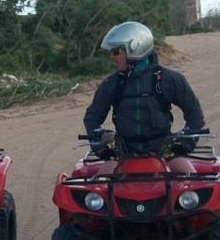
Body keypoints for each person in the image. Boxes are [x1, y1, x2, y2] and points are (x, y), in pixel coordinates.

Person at [83, 21, 205, 173]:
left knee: (189, 178)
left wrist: (183, 146)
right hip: (123, 151)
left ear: (134, 48)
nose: (111, 56)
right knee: (101, 183)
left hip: (164, 150)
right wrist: (102, 149)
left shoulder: (169, 79)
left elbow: (194, 112)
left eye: (116, 51)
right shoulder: (111, 83)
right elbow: (92, 116)